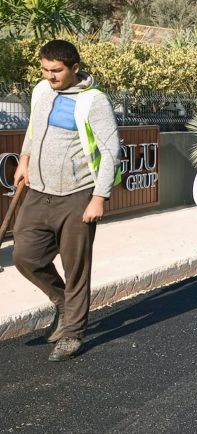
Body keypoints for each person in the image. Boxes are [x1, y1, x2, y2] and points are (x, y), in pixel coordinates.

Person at [12, 40, 121, 362]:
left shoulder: (94, 101)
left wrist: (98, 197)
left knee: (76, 269)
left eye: (56, 71)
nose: (50, 76)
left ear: (74, 68)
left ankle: (72, 333)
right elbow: (34, 127)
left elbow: (111, 150)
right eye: (45, 70)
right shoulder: (41, 91)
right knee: (25, 256)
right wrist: (24, 158)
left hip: (77, 195)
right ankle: (62, 301)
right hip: (39, 191)